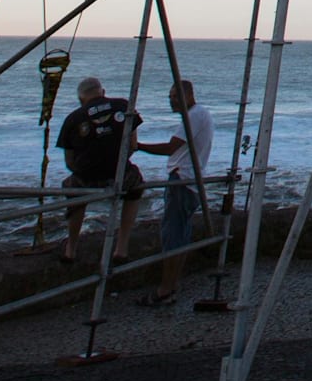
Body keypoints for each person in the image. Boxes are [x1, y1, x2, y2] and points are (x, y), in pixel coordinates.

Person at [134, 77, 214, 305]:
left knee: (172, 237)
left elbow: (171, 147)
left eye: (176, 97)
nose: (173, 102)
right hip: (189, 180)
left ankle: (165, 290)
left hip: (182, 181)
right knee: (180, 235)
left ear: (189, 95)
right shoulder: (199, 115)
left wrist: (138, 147)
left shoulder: (194, 115)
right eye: (170, 97)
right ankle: (171, 285)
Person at [53, 76, 143, 264]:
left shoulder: (73, 118)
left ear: (81, 99)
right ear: (103, 92)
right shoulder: (123, 106)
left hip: (87, 176)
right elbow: (133, 146)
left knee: (73, 190)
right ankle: (122, 247)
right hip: (119, 173)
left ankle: (71, 248)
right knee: (136, 185)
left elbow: (69, 161)